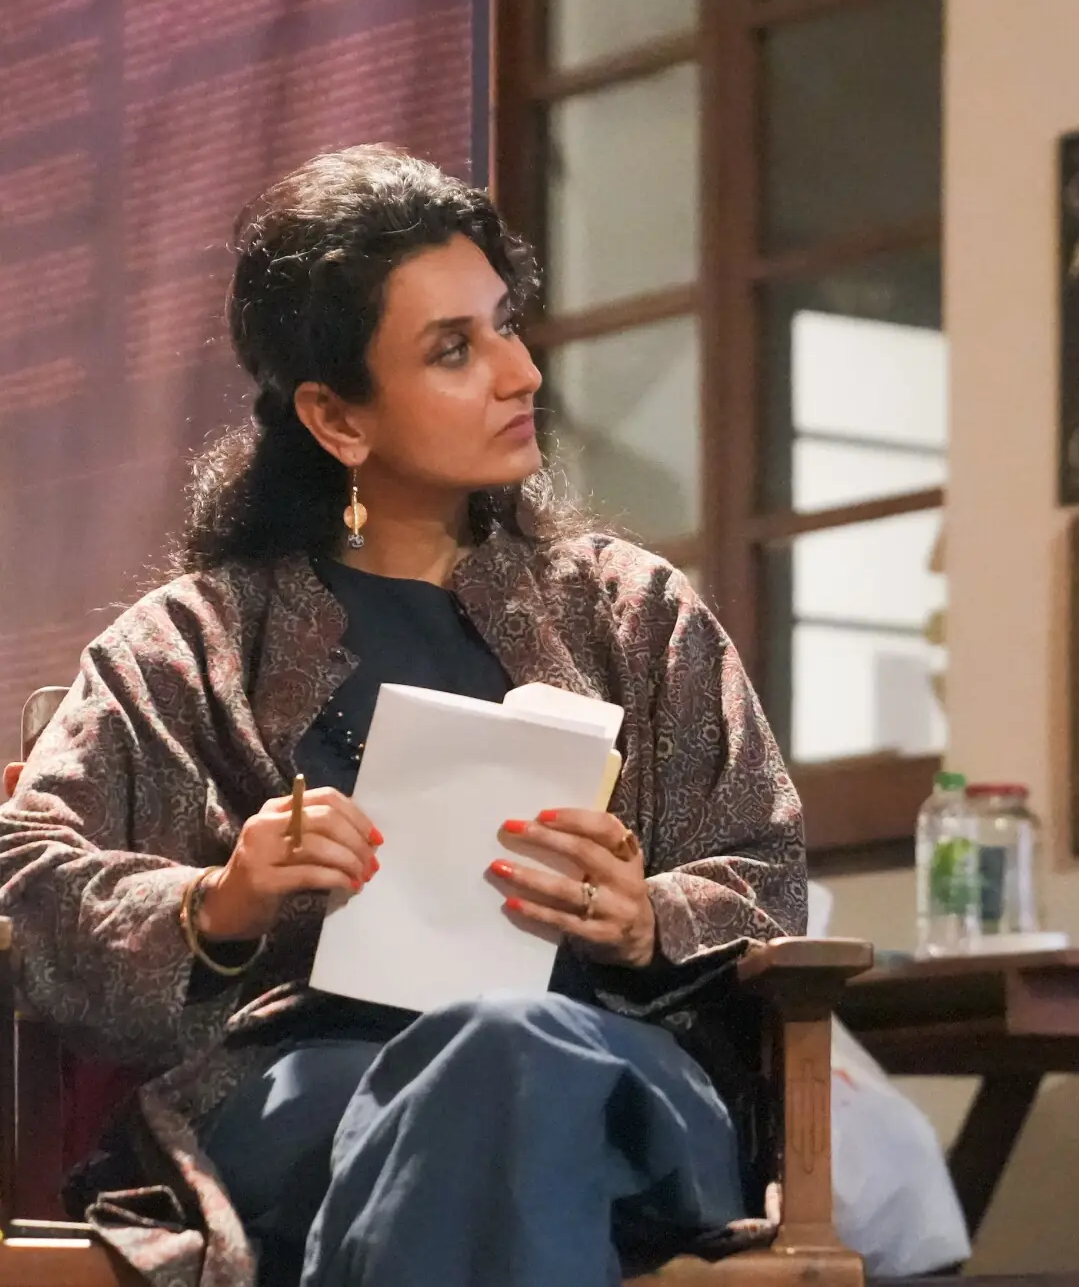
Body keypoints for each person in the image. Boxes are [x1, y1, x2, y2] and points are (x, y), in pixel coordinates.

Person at [0, 146, 806, 1287]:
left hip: (606, 1074)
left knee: (507, 1053)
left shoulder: (633, 613)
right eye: (453, 349)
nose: (519, 370)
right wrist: (214, 901)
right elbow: (26, 881)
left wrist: (646, 916)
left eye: (506, 323)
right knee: (479, 1092)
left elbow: (765, 865)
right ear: (335, 416)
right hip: (310, 1090)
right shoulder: (195, 642)